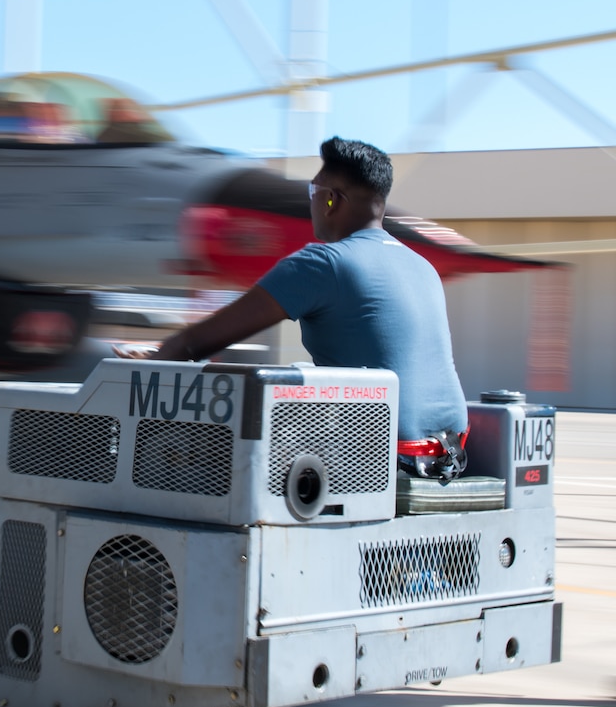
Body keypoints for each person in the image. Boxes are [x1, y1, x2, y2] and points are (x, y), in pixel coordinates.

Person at [129, 137, 469, 464]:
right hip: (450, 452)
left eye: (313, 191)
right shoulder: (422, 267)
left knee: (205, 443)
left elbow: (195, 343)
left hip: (379, 460)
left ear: (332, 199)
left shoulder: (323, 263)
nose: (311, 202)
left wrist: (153, 358)